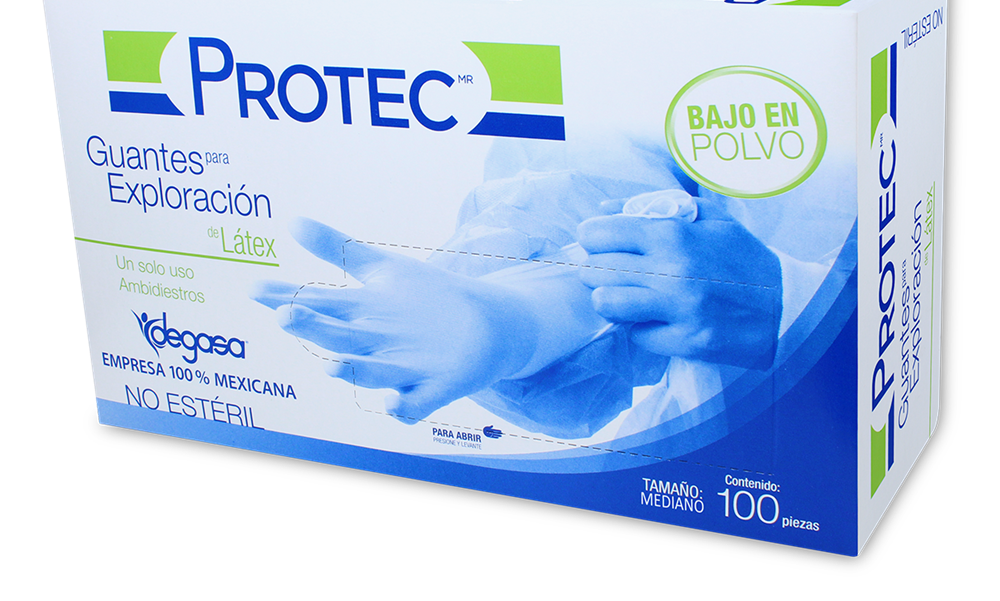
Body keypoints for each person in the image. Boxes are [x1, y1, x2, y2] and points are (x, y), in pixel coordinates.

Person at [252, 131, 852, 440]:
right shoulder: (621, 55)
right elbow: (600, 217)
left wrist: (802, 303)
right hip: (731, 468)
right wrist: (516, 319)